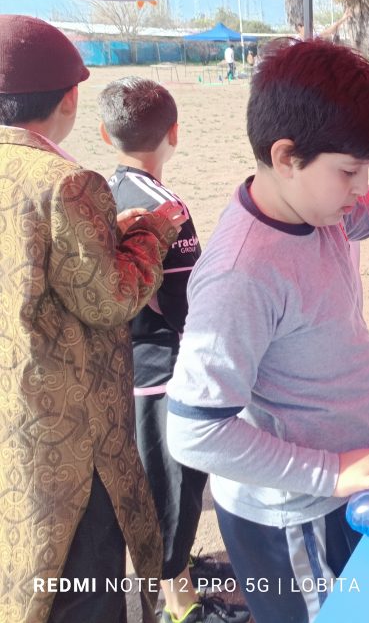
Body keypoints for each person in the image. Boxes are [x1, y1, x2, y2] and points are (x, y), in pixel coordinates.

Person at [165, 40, 369, 623]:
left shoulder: (318, 206)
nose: (359, 188)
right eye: (349, 171)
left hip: (333, 483)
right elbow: (196, 433)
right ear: (286, 155)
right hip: (288, 514)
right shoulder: (242, 272)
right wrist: (332, 471)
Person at [0, 15, 187, 622]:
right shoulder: (68, 181)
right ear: (72, 97)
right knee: (82, 585)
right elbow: (110, 298)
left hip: (13, 406)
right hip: (70, 434)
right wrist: (152, 234)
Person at [98, 77, 249, 623]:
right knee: (175, 488)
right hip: (164, 372)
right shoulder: (168, 209)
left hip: (122, 370)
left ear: (104, 131)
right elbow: (186, 301)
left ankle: (179, 571)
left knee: (152, 484)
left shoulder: (99, 196)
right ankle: (178, 604)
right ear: (175, 134)